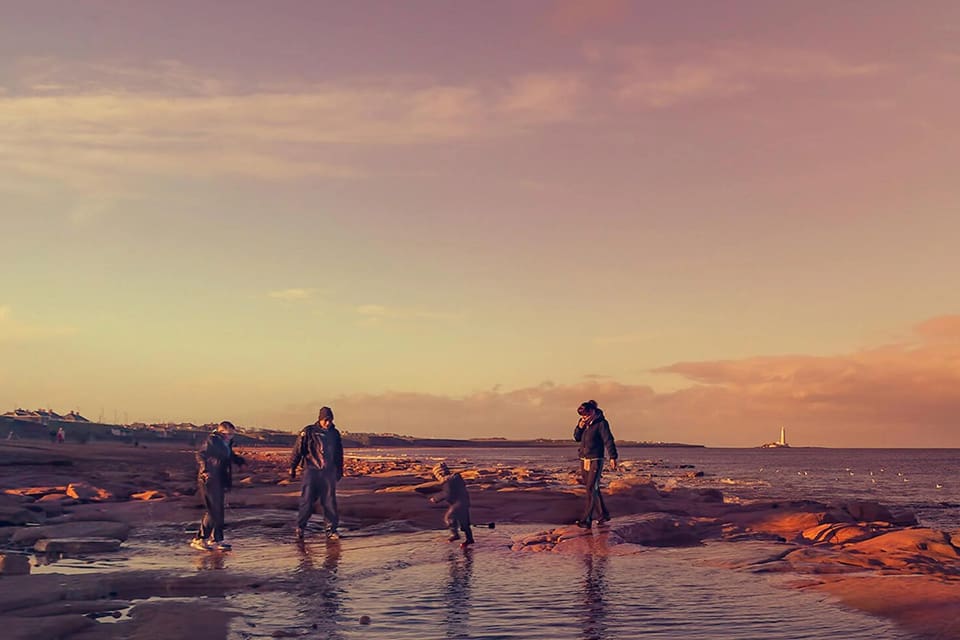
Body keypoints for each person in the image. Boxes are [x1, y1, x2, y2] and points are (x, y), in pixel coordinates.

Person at [291, 406, 344, 540]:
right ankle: (300, 527)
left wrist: (339, 470)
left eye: (330, 420)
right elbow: (298, 449)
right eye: (325, 420)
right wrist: (292, 466)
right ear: (320, 419)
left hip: (328, 472)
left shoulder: (335, 433)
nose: (328, 423)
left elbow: (339, 453)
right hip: (311, 470)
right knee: (307, 501)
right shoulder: (309, 431)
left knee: (329, 502)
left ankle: (331, 530)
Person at [192, 421, 245, 551]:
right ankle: (200, 539)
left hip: (220, 478)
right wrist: (206, 470)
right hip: (209, 479)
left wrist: (240, 461)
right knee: (213, 510)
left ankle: (217, 539)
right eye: (229, 434)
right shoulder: (212, 440)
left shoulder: (226, 443)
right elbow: (200, 455)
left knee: (218, 510)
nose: (231, 437)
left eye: (233, 434)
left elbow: (228, 456)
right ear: (221, 432)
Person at [572, 400, 618, 528]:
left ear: (592, 412)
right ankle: (603, 515)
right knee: (592, 489)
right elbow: (576, 438)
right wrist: (580, 427)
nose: (584, 417)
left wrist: (613, 457)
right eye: (581, 416)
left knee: (591, 488)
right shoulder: (583, 423)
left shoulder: (602, 423)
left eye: (586, 415)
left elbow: (608, 440)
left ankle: (586, 520)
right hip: (584, 459)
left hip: (596, 459)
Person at [430, 462, 474, 547]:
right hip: (464, 502)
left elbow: (447, 494)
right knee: (464, 522)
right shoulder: (455, 479)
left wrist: (436, 498)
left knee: (449, 518)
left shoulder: (448, 481)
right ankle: (469, 539)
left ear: (440, 473)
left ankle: (455, 535)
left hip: (458, 503)